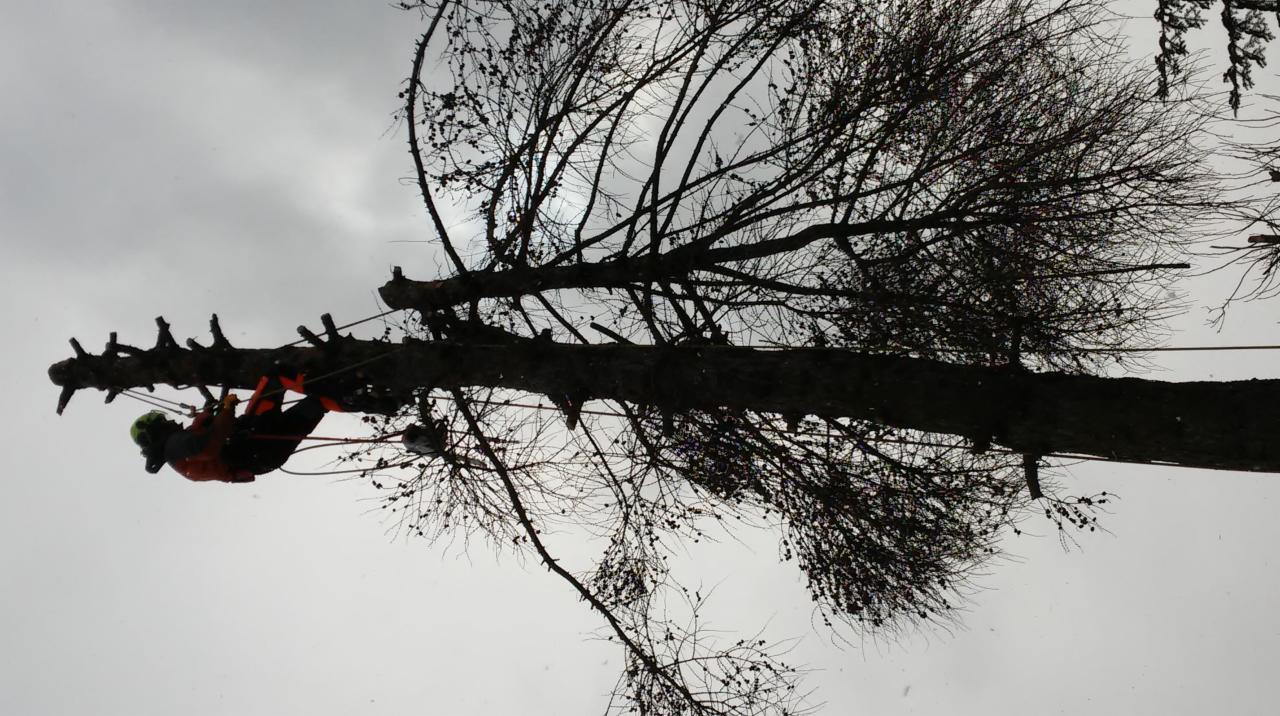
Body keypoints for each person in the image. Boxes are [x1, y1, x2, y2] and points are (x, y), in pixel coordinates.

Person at [130, 374, 339, 483]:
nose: (170, 421)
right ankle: (337, 380)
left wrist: (211, 414)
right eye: (162, 421)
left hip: (263, 454)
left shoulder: (178, 452)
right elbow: (209, 445)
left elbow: (205, 435)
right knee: (275, 377)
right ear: (156, 431)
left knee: (319, 403)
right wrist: (227, 409)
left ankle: (351, 394)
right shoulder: (174, 447)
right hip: (255, 442)